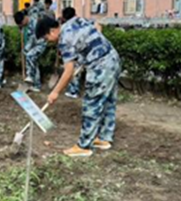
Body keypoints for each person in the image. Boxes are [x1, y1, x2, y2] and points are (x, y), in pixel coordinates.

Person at [36, 10, 121, 158]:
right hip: (113, 59)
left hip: (100, 67)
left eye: (46, 37)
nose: (48, 40)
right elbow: (97, 27)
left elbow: (68, 71)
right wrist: (85, 57)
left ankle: (84, 146)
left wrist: (55, 92)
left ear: (52, 30)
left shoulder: (64, 40)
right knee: (108, 102)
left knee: (91, 104)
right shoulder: (74, 22)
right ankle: (104, 138)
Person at [14, 10, 46, 92]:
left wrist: (25, 49)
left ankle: (30, 76)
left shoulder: (34, 23)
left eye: (21, 24)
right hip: (32, 45)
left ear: (24, 19)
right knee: (34, 63)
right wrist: (21, 29)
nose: (21, 26)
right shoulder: (25, 25)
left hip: (39, 44)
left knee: (30, 56)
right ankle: (36, 85)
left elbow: (32, 39)